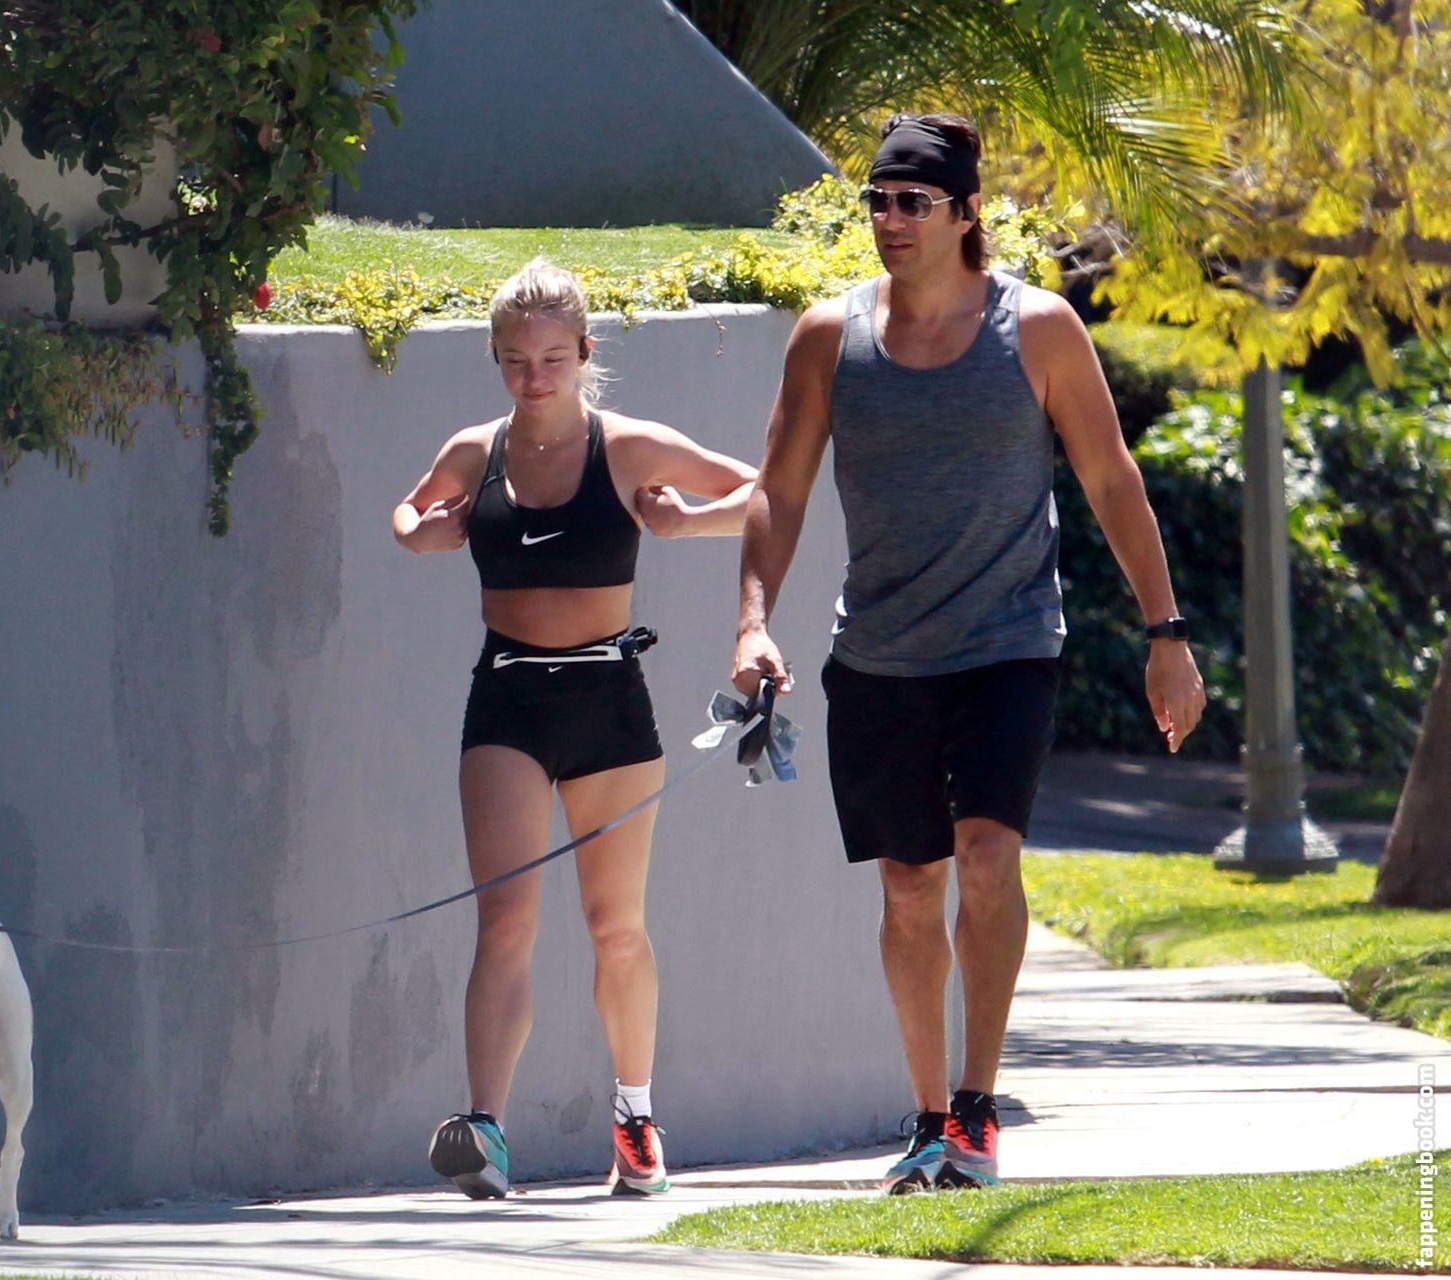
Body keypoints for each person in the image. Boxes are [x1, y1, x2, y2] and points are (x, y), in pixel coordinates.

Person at [732, 115, 1207, 1194]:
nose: (891, 220)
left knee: (988, 858)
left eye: (914, 202)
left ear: (966, 213)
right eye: (878, 201)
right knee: (910, 885)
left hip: (1008, 643)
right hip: (880, 654)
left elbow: (1112, 480)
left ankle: (979, 1108)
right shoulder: (829, 336)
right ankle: (928, 1118)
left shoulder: (1037, 329)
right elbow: (779, 490)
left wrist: (1166, 633)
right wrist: (753, 620)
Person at [393, 258, 757, 1199]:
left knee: (615, 927)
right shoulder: (477, 450)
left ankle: (636, 1117)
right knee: (505, 921)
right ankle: (485, 1129)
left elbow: (766, 493)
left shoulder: (628, 446)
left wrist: (688, 524)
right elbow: (408, 511)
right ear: (495, 359)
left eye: (553, 359)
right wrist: (422, 532)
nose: (534, 377)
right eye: (516, 361)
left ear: (585, 352)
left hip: (608, 704)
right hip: (507, 699)